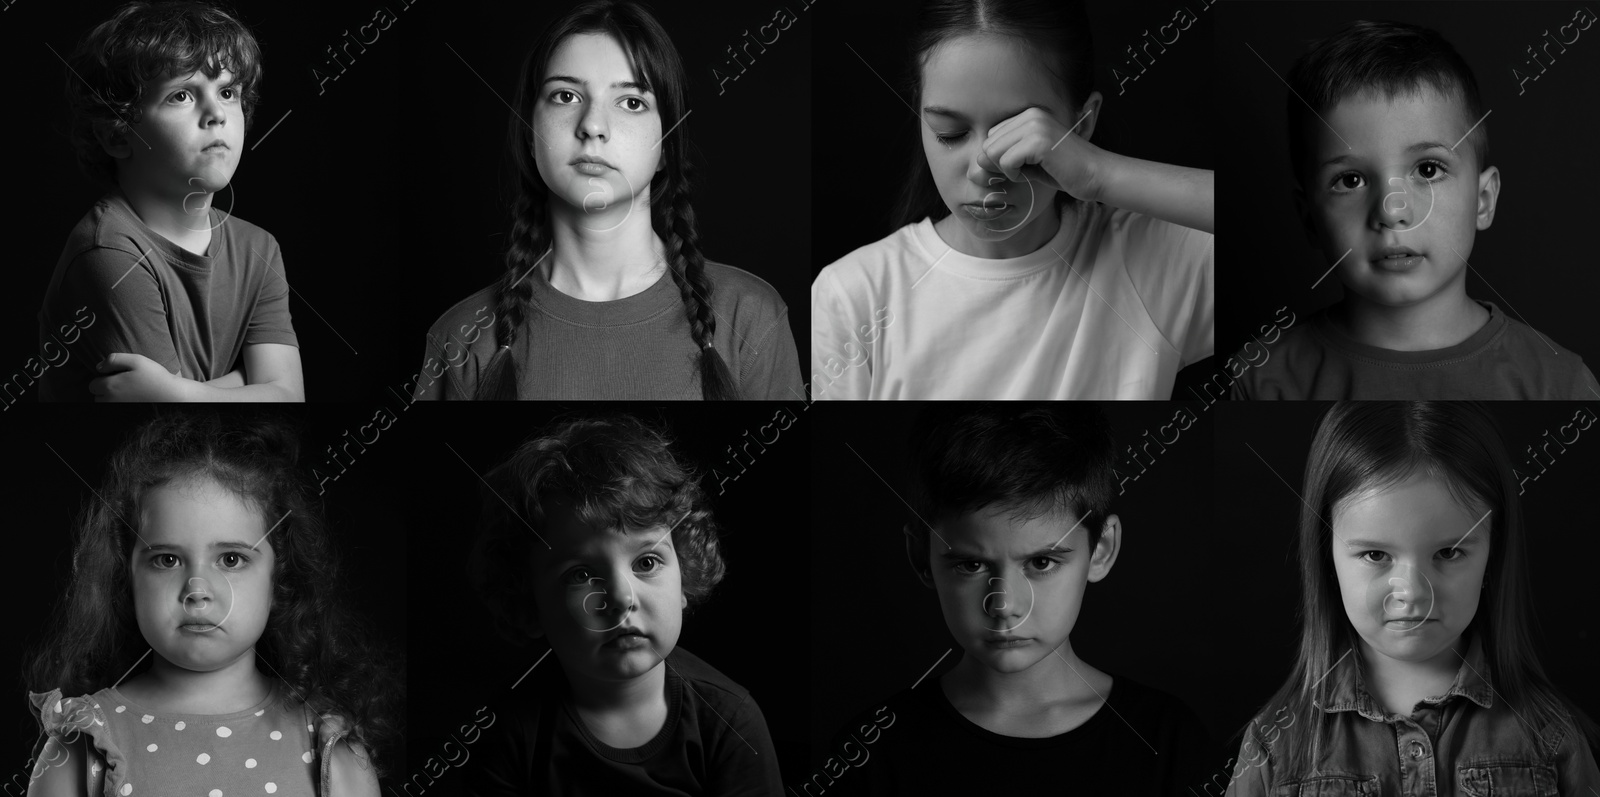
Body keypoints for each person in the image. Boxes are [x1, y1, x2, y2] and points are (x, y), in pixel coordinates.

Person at [811, 0, 1214, 400]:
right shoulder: (854, 295)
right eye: (949, 133)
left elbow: (1270, 220)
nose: (983, 170)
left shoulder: (1155, 263)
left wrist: (1099, 174)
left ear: (1083, 124)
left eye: (1019, 133)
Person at [816, 405, 1217, 795]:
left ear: (1101, 549)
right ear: (922, 557)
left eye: (1041, 562)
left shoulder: (1170, 743)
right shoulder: (866, 756)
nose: (1004, 604)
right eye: (971, 565)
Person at [416, 0, 802, 400]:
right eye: (565, 96)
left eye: (632, 102)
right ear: (530, 133)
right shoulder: (461, 338)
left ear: (667, 145)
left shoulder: (750, 316)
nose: (593, 126)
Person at [1225, 402, 1600, 795]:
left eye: (1448, 553)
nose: (1413, 593)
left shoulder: (1550, 736)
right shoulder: (1275, 745)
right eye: (1375, 555)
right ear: (1326, 556)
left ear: (1494, 551)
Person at [25, 413, 397, 796]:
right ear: (127, 577)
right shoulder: (84, 742)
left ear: (279, 579)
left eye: (231, 559)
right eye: (167, 559)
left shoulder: (327, 745)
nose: (197, 589)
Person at [1231, 21, 1599, 399]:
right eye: (1351, 180)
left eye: (1427, 170)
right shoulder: (1261, 380)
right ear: (1309, 218)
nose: (1392, 212)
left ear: (1483, 200)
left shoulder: (1559, 383)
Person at [464, 415, 783, 795]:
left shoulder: (730, 721)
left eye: (646, 563)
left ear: (686, 576)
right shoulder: (507, 732)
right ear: (528, 602)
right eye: (580, 575)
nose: (620, 598)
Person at [39, 0, 304, 402]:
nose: (217, 113)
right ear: (117, 135)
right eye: (181, 95)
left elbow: (290, 396)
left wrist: (180, 393)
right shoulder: (109, 253)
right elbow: (163, 416)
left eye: (228, 92)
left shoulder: (260, 248)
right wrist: (249, 383)